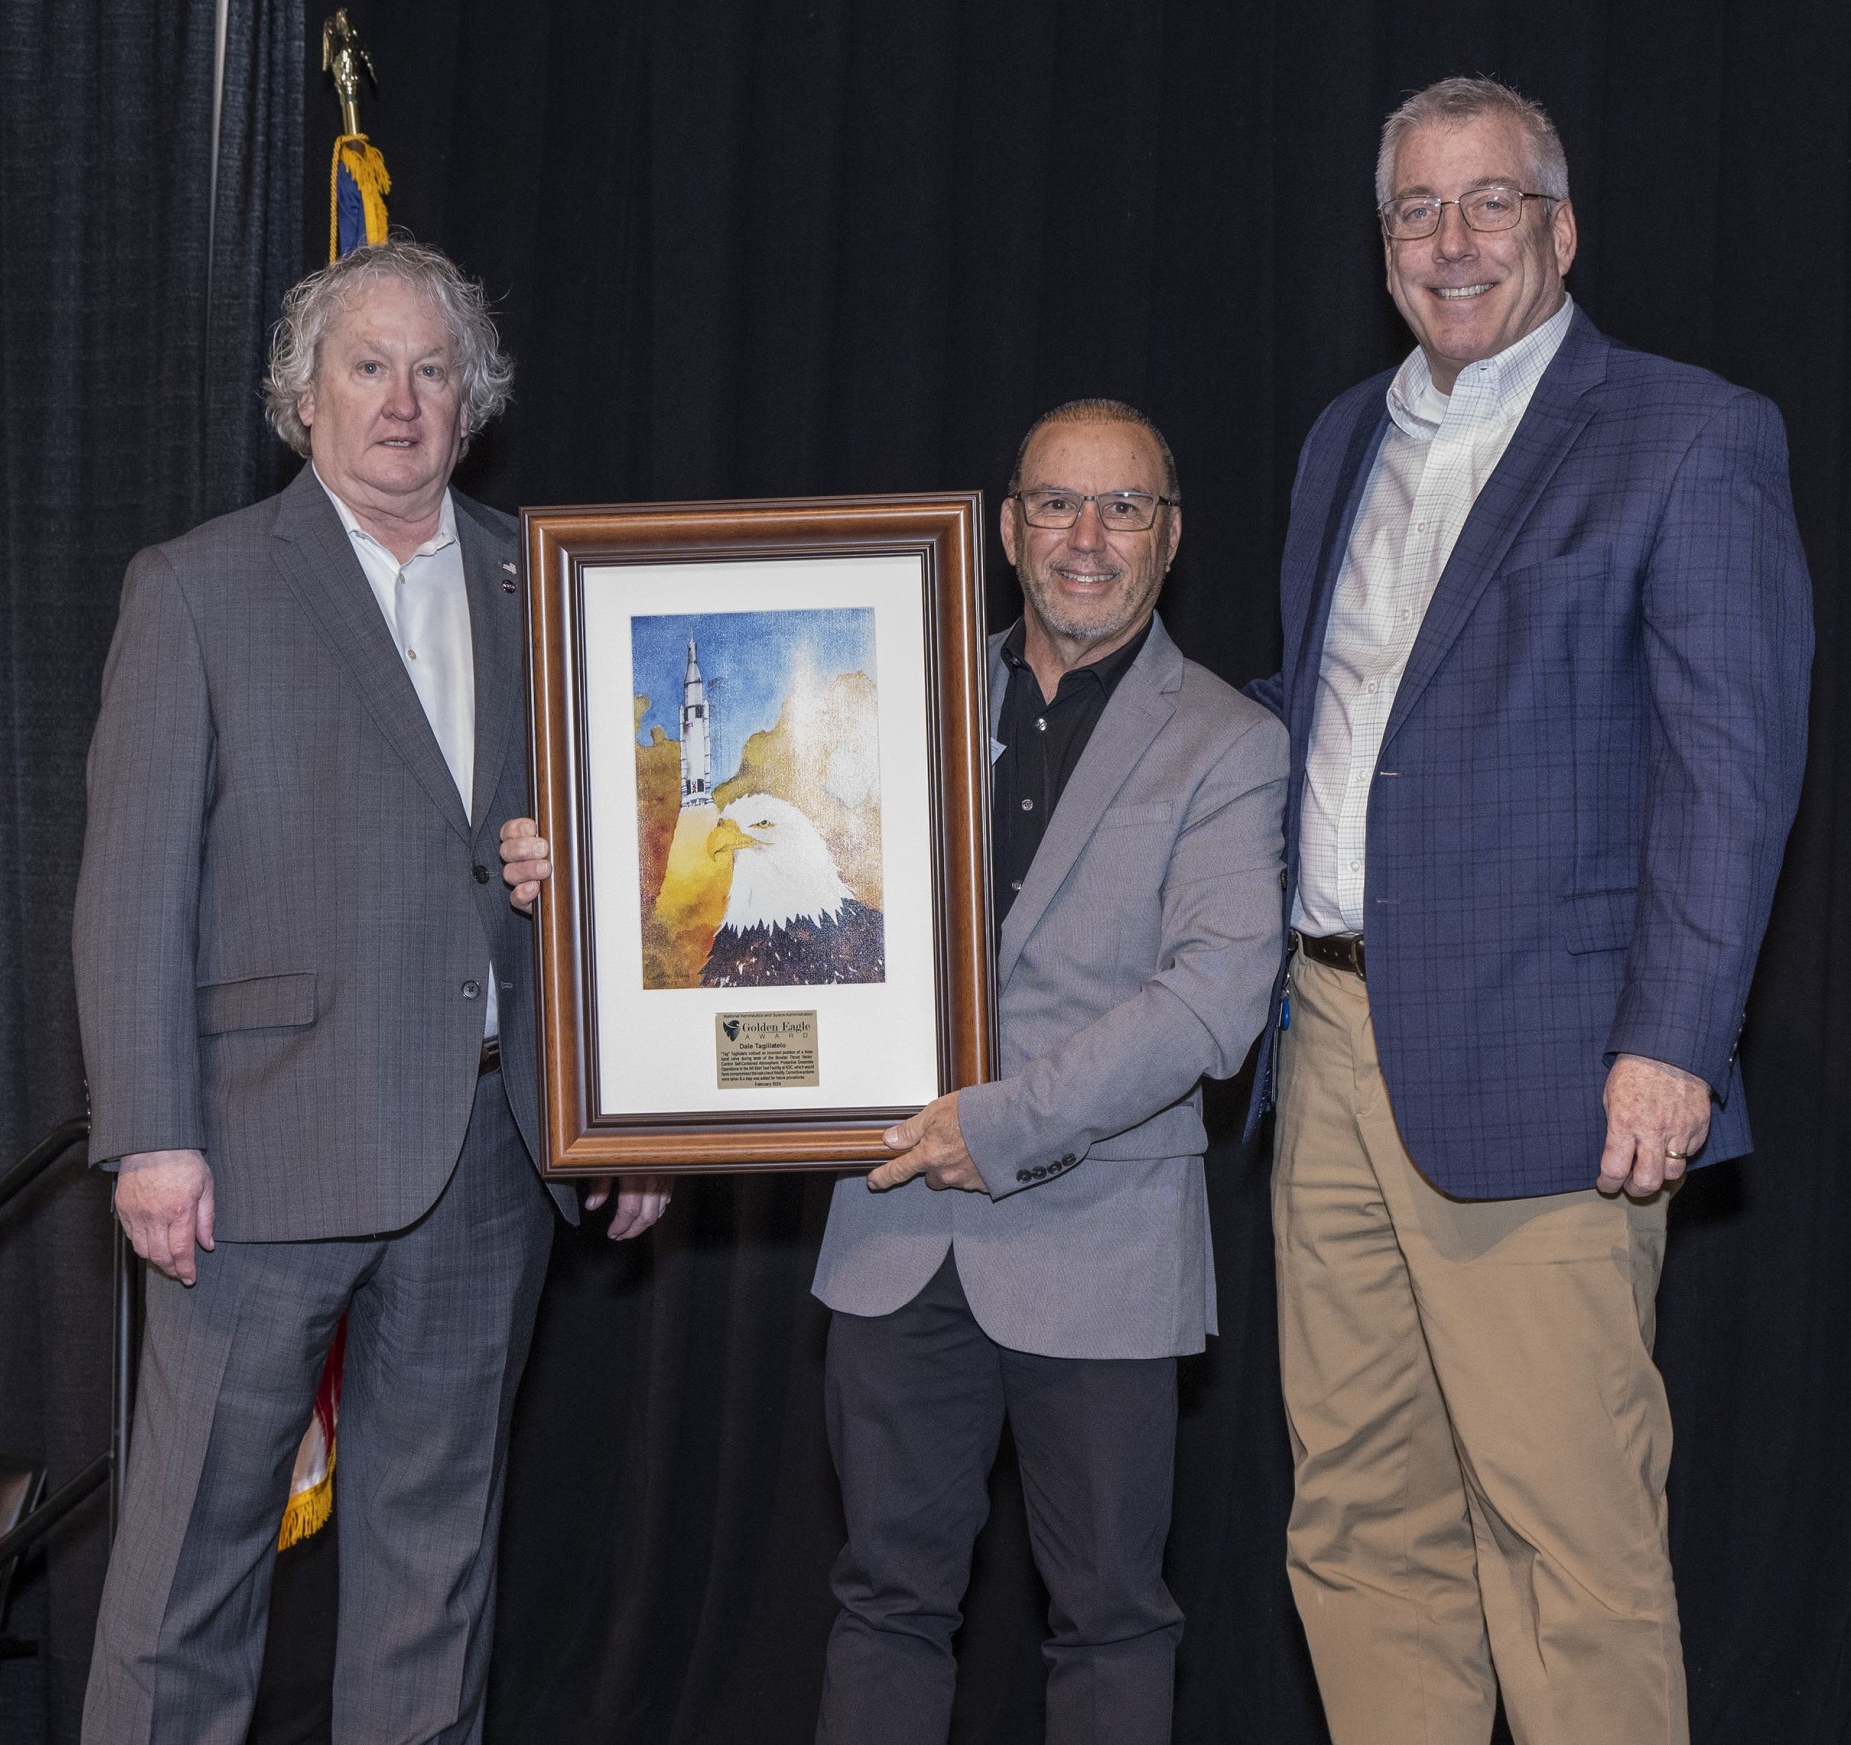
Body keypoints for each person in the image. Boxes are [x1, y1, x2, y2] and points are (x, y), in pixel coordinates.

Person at [514, 400, 1284, 1741]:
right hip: (893, 1235)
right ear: (1005, 526)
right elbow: (765, 939)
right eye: (1054, 503)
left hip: (1098, 1240)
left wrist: (1004, 1124)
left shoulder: (1231, 743)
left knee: (1110, 1614)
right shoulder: (884, 704)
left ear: (1171, 536)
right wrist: (575, 876)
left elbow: (1209, 1006)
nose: (1085, 538)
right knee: (884, 1601)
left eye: (1122, 508)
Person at [1247, 77, 1813, 1743]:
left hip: (1559, 1068)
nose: (1452, 238)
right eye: (1416, 209)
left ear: (1561, 230)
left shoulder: (1691, 434)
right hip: (1330, 1046)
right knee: (1357, 1520)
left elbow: (1733, 767)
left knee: (1567, 1530)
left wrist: (1673, 1044)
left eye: (1491, 201)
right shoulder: (1341, 438)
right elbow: (1321, 725)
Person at [74, 239, 666, 1745]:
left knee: (434, 1581)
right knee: (184, 1587)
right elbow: (132, 880)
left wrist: (628, 1106)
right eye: (367, 365)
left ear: (472, 403)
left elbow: (632, 868)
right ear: (302, 396)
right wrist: (150, 1129)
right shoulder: (197, 589)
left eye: (432, 369)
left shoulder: (553, 584)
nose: (402, 399)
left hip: (489, 1159)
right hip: (257, 1161)